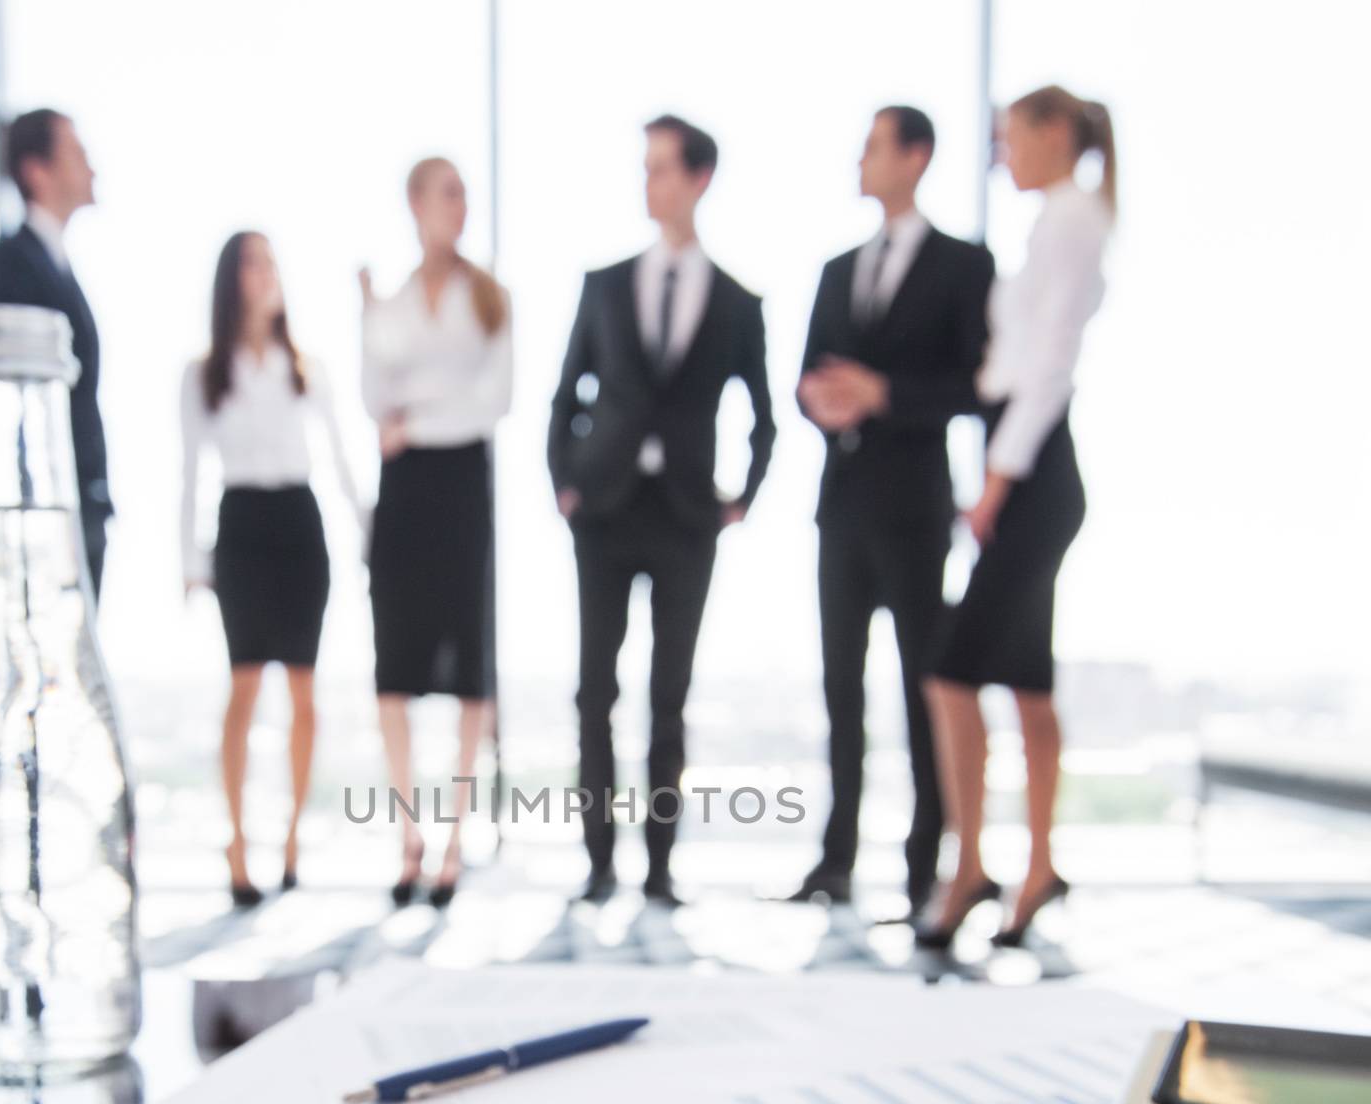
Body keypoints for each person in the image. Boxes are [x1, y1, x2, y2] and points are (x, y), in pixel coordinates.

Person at [548, 114, 776, 908]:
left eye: (661, 169)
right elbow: (566, 394)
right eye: (643, 169)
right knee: (593, 692)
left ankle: (660, 868)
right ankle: (598, 864)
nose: (649, 184)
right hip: (604, 511)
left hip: (686, 518)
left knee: (668, 698)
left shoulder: (738, 302)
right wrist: (565, 482)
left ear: (698, 178)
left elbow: (763, 414)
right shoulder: (604, 284)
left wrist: (741, 497)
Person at [917, 85, 1116, 951]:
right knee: (1029, 687)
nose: (1003, 154)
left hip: (1033, 472)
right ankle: (1036, 868)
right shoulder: (1055, 221)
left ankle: (970, 867)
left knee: (951, 672)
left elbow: (1048, 369)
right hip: (1026, 467)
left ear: (1056, 133)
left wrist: (996, 482)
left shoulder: (1070, 217)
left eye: (1010, 139)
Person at [790, 107, 994, 917]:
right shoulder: (839, 271)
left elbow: (976, 387)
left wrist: (882, 394)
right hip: (840, 508)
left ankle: (923, 866)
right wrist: (823, 400)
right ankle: (834, 862)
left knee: (922, 688)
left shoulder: (962, 266)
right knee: (842, 688)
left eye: (874, 146)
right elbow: (806, 376)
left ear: (916, 157)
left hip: (915, 509)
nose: (860, 160)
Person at [181, 232, 361, 907]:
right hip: (241, 528)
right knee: (245, 688)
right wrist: (190, 561)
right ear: (233, 279)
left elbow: (341, 458)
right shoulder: (205, 372)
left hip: (299, 524)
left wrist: (371, 536)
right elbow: (188, 471)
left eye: (271, 263)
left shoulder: (304, 366)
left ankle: (289, 837)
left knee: (306, 694)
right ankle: (237, 841)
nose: (265, 275)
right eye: (252, 263)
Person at [360, 157, 513, 909]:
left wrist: (416, 419)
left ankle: (453, 841)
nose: (460, 204)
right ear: (415, 203)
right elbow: (371, 398)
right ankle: (408, 836)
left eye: (464, 192)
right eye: (447, 191)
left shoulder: (489, 298)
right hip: (404, 492)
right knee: (395, 661)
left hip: (460, 485)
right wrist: (411, 411)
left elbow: (491, 403)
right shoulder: (386, 304)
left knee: (465, 663)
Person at [0, 109, 113, 601]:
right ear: (36, 170)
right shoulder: (8, 266)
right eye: (77, 154)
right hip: (40, 522)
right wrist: (32, 485)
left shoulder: (56, 263)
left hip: (79, 507)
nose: (92, 167)